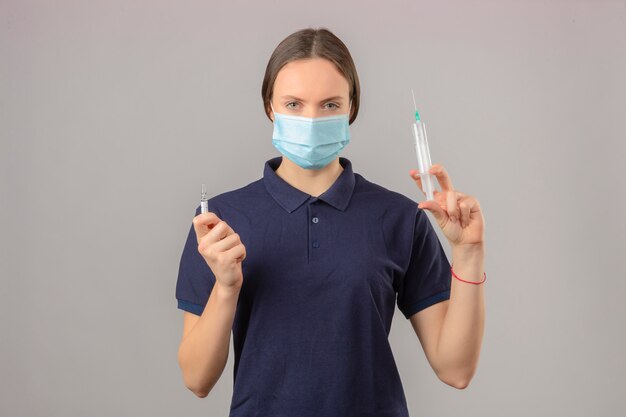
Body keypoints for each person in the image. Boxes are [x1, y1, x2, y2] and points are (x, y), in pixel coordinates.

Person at [175, 27, 486, 417]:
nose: (310, 119)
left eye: (329, 105)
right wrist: (226, 286)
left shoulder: (400, 218)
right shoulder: (219, 225)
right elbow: (197, 379)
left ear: (351, 108)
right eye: (293, 104)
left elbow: (456, 369)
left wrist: (469, 253)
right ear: (269, 106)